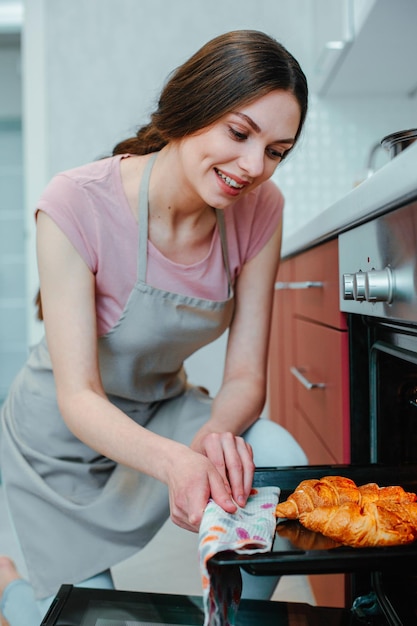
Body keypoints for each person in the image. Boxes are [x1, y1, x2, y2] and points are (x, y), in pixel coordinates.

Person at [0, 29, 308, 625]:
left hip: (164, 408)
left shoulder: (262, 209)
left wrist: (213, 441)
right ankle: (9, 584)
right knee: (75, 614)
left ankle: (231, 621)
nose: (253, 167)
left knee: (276, 462)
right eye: (239, 133)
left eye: (276, 151)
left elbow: (246, 374)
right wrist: (176, 464)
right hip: (63, 442)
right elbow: (78, 395)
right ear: (189, 108)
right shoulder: (74, 203)